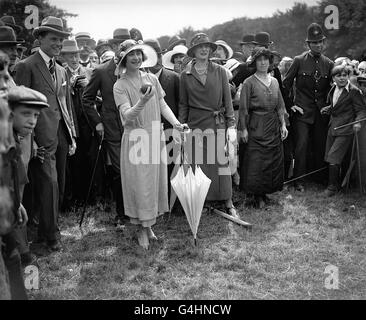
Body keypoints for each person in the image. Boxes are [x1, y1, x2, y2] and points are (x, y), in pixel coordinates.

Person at [113, 39, 187, 249]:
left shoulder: (152, 78)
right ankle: (140, 229)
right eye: (131, 55)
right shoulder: (120, 85)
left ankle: (149, 226)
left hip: (155, 136)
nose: (136, 58)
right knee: (140, 186)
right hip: (136, 139)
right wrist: (143, 101)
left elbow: (162, 104)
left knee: (153, 185)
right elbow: (127, 117)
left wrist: (176, 123)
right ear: (124, 59)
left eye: (138, 53)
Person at [15, 16, 76, 252]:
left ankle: (45, 230)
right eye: (53, 39)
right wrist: (31, 141)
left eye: (61, 40)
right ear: (40, 38)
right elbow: (21, 108)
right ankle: (50, 237)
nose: (58, 44)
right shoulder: (26, 66)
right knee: (48, 184)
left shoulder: (60, 69)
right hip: (39, 139)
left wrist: (72, 136)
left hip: (60, 134)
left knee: (57, 184)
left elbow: (65, 105)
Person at [179, 33, 238, 217]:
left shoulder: (220, 71)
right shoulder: (185, 75)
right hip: (195, 125)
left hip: (217, 123)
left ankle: (228, 202)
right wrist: (181, 127)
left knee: (222, 163)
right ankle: (204, 201)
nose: (204, 49)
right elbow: (183, 104)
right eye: (200, 47)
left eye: (207, 47)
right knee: (201, 164)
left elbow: (228, 101)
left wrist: (231, 126)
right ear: (194, 51)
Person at [83, 29, 129, 226]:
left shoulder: (137, 69)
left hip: (135, 127)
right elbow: (87, 99)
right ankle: (122, 213)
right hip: (112, 128)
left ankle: (138, 210)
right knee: (120, 170)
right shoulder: (101, 71)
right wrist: (98, 122)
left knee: (135, 169)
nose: (121, 49)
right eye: (118, 44)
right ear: (114, 47)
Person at [283, 23, 334, 191]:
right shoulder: (298, 61)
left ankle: (319, 177)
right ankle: (299, 180)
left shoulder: (329, 63)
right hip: (302, 111)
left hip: (321, 112)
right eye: (314, 42)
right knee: (301, 145)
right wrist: (291, 106)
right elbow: (285, 86)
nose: (318, 45)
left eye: (320, 42)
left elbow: (332, 89)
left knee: (320, 145)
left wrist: (329, 106)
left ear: (324, 42)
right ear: (308, 44)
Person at [239, 47, 288, 208]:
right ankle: (256, 196)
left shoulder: (274, 81)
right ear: (254, 62)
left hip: (272, 124)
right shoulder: (249, 82)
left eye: (265, 59)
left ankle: (266, 192)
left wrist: (283, 125)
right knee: (256, 160)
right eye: (259, 60)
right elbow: (244, 108)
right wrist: (244, 129)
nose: (262, 62)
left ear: (270, 62)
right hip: (256, 124)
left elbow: (280, 105)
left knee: (272, 159)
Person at [145, 38, 181, 212]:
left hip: (170, 130)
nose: (156, 59)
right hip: (147, 131)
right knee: (152, 168)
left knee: (172, 166)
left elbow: (180, 105)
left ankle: (172, 203)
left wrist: (178, 126)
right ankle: (155, 203)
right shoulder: (142, 78)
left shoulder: (173, 77)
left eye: (158, 54)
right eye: (151, 55)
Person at [320, 65, 366, 196]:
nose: (342, 78)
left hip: (346, 129)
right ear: (333, 78)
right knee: (330, 155)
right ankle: (337, 184)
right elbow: (338, 105)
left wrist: (357, 122)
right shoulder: (333, 88)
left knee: (334, 156)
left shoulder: (354, 91)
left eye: (344, 75)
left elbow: (361, 110)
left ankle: (332, 188)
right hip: (332, 127)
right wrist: (329, 108)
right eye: (338, 76)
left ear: (348, 76)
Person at [61, 39, 94, 207]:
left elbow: (99, 97)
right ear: (64, 57)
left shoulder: (90, 72)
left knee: (90, 158)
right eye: (70, 56)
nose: (74, 59)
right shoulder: (61, 73)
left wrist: (87, 86)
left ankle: (91, 197)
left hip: (88, 123)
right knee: (74, 161)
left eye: (76, 55)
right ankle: (75, 197)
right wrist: (71, 89)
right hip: (70, 123)